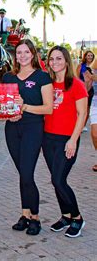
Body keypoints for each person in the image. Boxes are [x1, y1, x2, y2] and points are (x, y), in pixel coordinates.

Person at [2, 39, 53, 235]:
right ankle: (24, 214)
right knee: (22, 173)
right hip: (12, 129)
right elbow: (2, 105)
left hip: (33, 128)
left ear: (33, 54)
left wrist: (24, 107)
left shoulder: (42, 77)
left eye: (26, 52)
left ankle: (35, 218)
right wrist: (8, 113)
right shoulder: (8, 77)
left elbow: (47, 108)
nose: (22, 56)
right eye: (19, 52)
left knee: (27, 173)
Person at [43, 45, 87, 238]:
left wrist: (73, 140)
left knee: (58, 180)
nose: (55, 62)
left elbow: (82, 113)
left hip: (66, 139)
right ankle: (65, 215)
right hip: (48, 138)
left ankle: (77, 218)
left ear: (66, 61)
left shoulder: (76, 84)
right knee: (56, 180)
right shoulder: (48, 83)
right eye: (52, 59)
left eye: (59, 58)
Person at [75, 50, 94, 131]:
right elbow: (77, 77)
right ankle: (77, 124)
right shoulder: (81, 65)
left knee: (87, 108)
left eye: (91, 56)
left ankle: (83, 125)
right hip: (82, 89)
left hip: (91, 89)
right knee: (79, 108)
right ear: (85, 56)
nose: (90, 57)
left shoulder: (94, 66)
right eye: (88, 55)